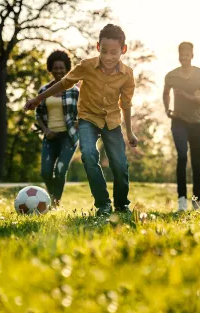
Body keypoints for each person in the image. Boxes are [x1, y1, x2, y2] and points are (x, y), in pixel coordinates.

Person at [24, 24, 138, 216]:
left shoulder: (127, 74)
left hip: (112, 121)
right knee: (88, 155)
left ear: (123, 50)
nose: (109, 57)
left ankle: (121, 204)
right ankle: (103, 204)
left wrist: (130, 132)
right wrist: (39, 98)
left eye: (114, 52)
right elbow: (64, 83)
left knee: (119, 165)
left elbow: (125, 104)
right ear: (97, 47)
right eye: (104, 51)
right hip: (88, 119)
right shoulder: (86, 66)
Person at [163, 42, 200, 211]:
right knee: (182, 156)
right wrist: (167, 108)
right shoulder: (171, 76)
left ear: (192, 55)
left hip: (197, 123)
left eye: (187, 54)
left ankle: (196, 201)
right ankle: (181, 200)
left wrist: (187, 96)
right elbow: (165, 93)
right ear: (178, 55)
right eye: (182, 54)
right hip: (178, 121)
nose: (184, 57)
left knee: (196, 163)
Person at [35, 50, 79, 209]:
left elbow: (85, 111)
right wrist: (45, 130)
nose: (59, 71)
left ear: (67, 69)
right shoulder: (44, 90)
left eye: (62, 68)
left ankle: (55, 203)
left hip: (68, 137)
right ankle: (52, 196)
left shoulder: (74, 90)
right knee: (46, 172)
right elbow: (38, 114)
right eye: (56, 68)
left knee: (60, 169)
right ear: (50, 69)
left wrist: (78, 123)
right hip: (50, 136)